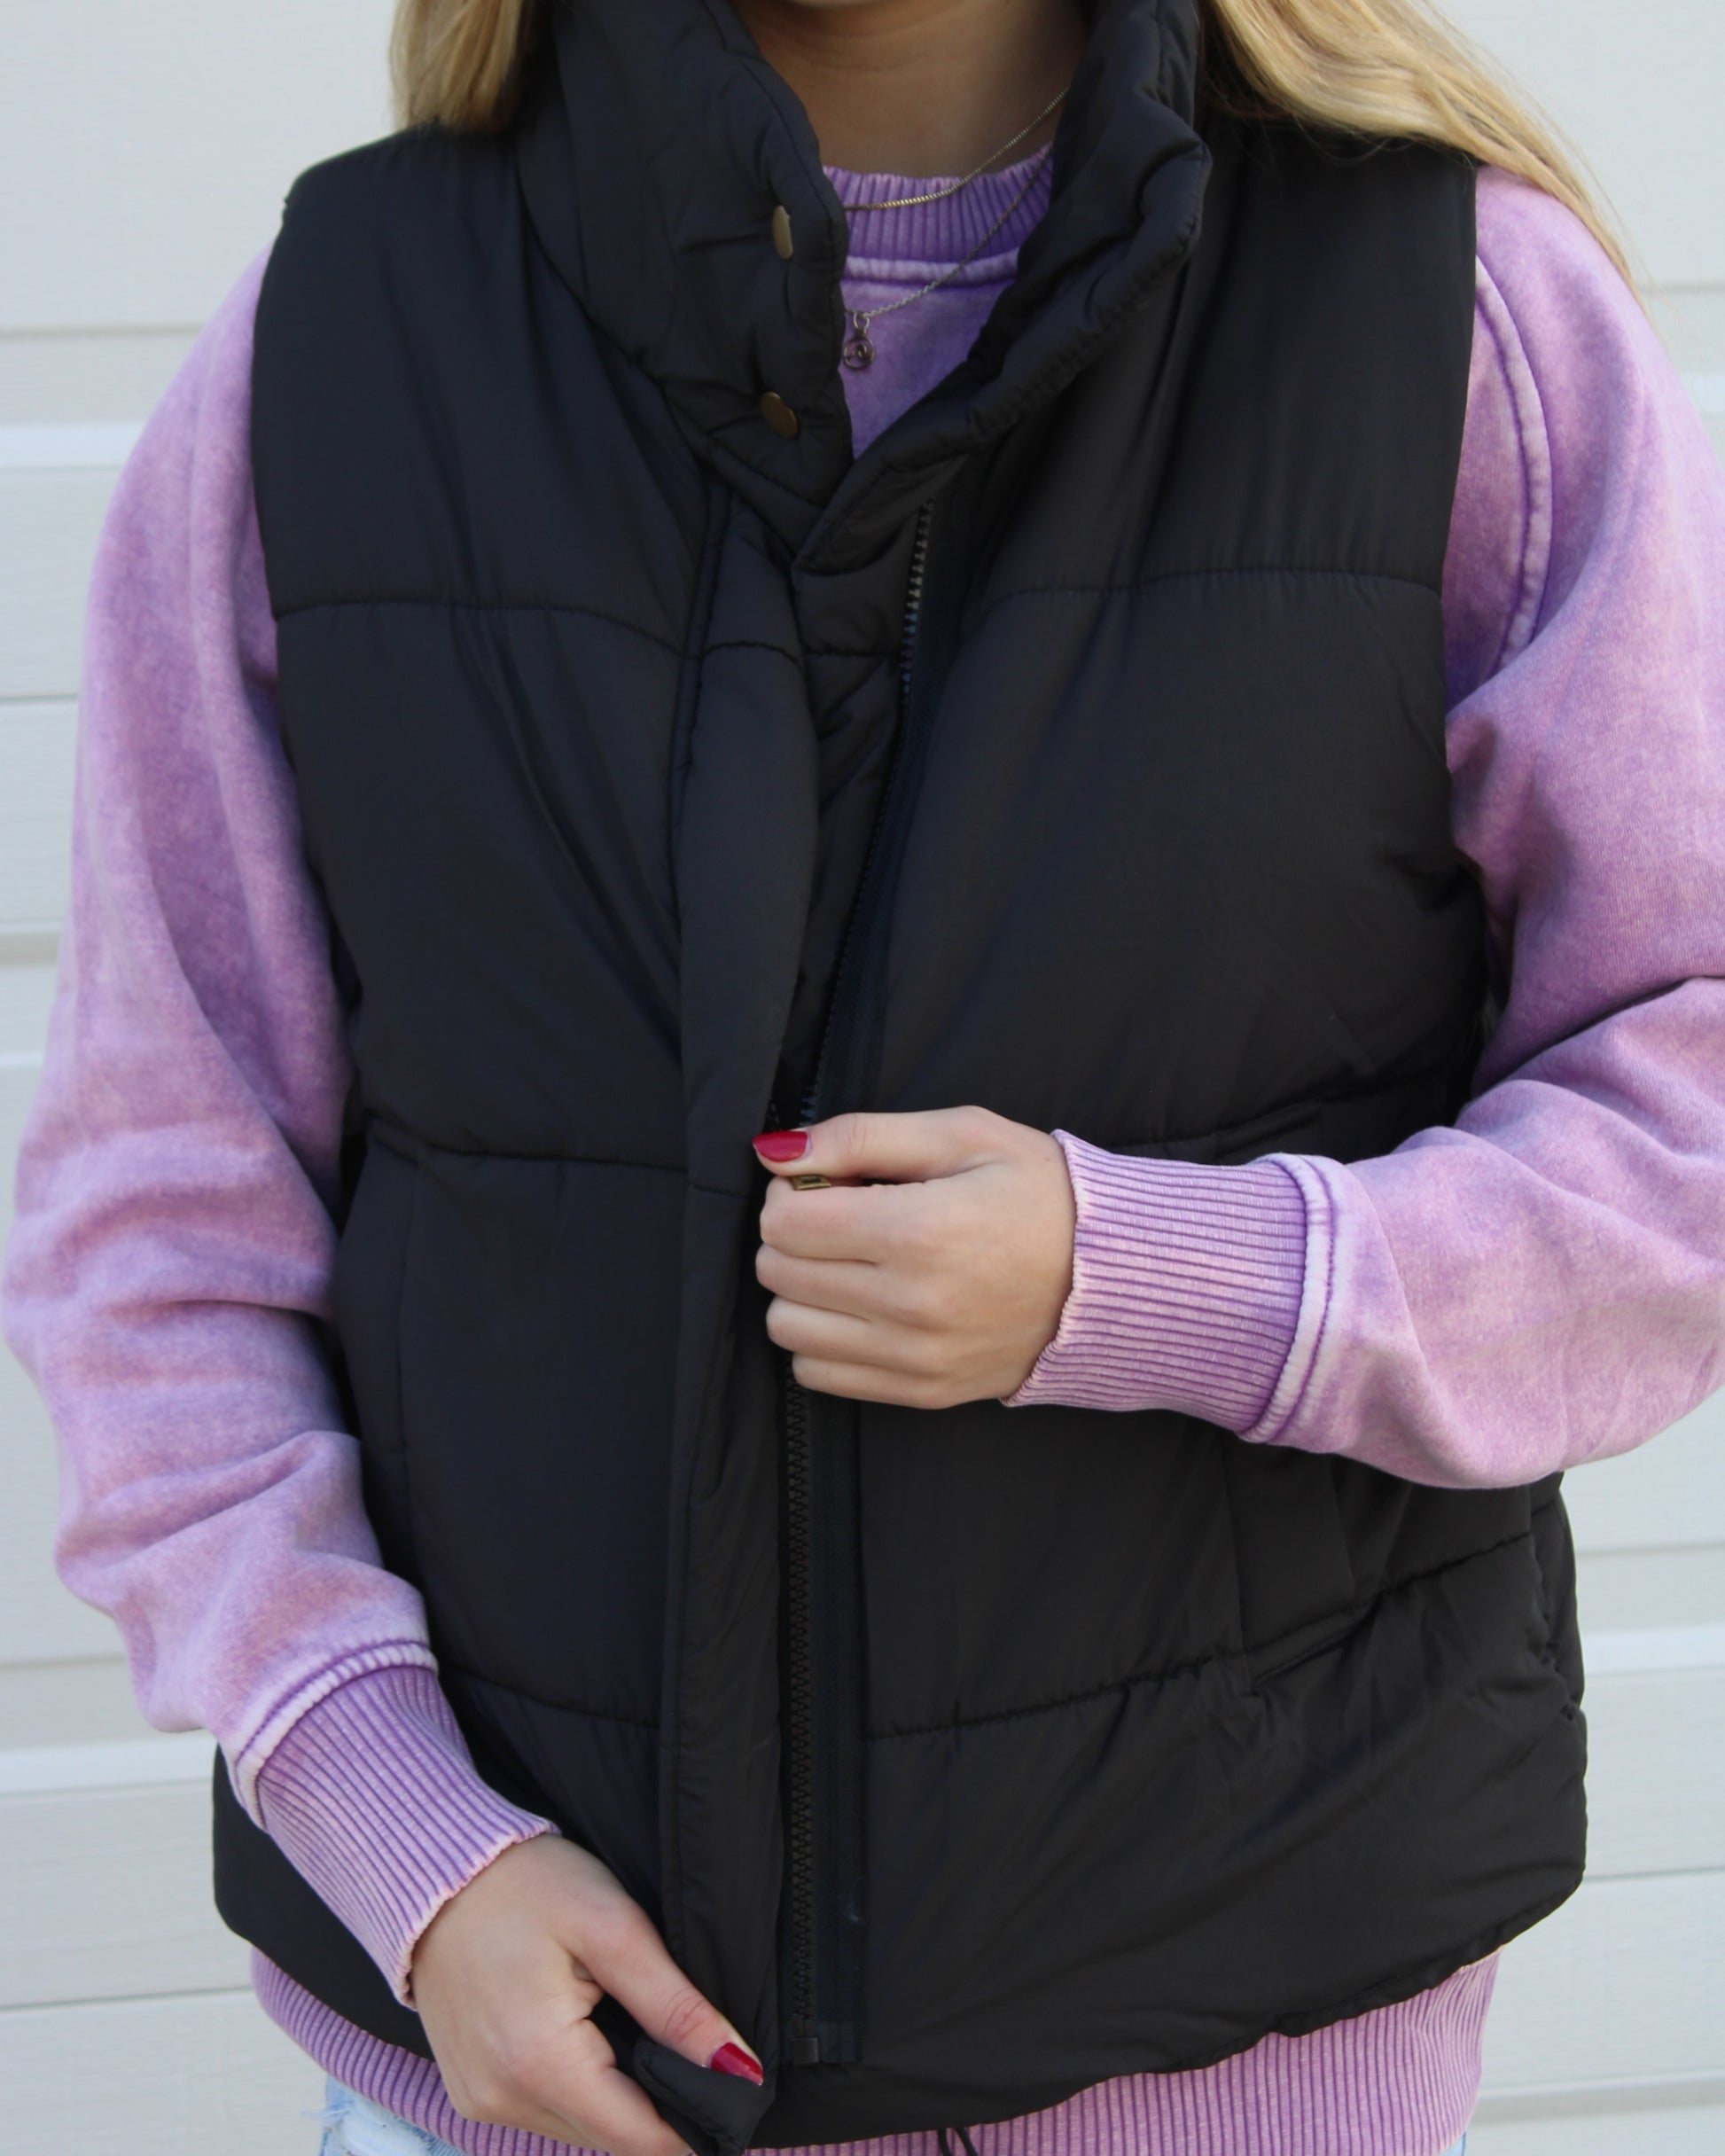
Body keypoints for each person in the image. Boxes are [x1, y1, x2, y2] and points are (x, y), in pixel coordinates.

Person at [6, 0, 1725, 2152]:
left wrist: (1149, 1274)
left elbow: (1685, 1126)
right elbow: (153, 1221)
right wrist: (401, 1834)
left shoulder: (1453, 322)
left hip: (1234, 2058)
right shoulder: (340, 342)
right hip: (522, 2073)